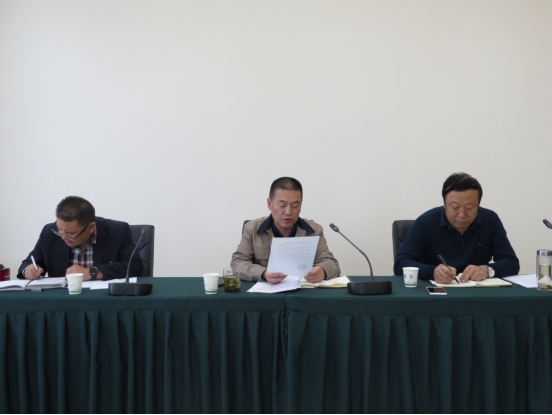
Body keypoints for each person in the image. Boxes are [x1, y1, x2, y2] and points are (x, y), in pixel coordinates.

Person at [393, 172, 519, 283]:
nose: (462, 214)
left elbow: (511, 262)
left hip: (477, 291)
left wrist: (487, 270)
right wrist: (432, 271)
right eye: (455, 207)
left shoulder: (490, 220)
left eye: (469, 207)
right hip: (436, 292)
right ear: (444, 204)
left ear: (478, 205)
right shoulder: (426, 222)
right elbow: (400, 263)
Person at [231, 177, 340, 284]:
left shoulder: (314, 231)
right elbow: (238, 262)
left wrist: (322, 270)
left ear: (300, 205)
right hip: (265, 291)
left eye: (295, 205)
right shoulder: (252, 228)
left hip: (301, 290)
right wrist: (263, 273)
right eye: (282, 205)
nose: (288, 212)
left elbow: (331, 263)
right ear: (269, 204)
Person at [18, 196, 143, 281]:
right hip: (62, 302)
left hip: (103, 300)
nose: (63, 237)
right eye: (59, 230)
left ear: (91, 227)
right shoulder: (49, 233)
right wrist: (28, 270)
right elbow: (28, 263)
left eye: (70, 233)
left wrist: (93, 272)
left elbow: (135, 266)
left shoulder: (117, 231)